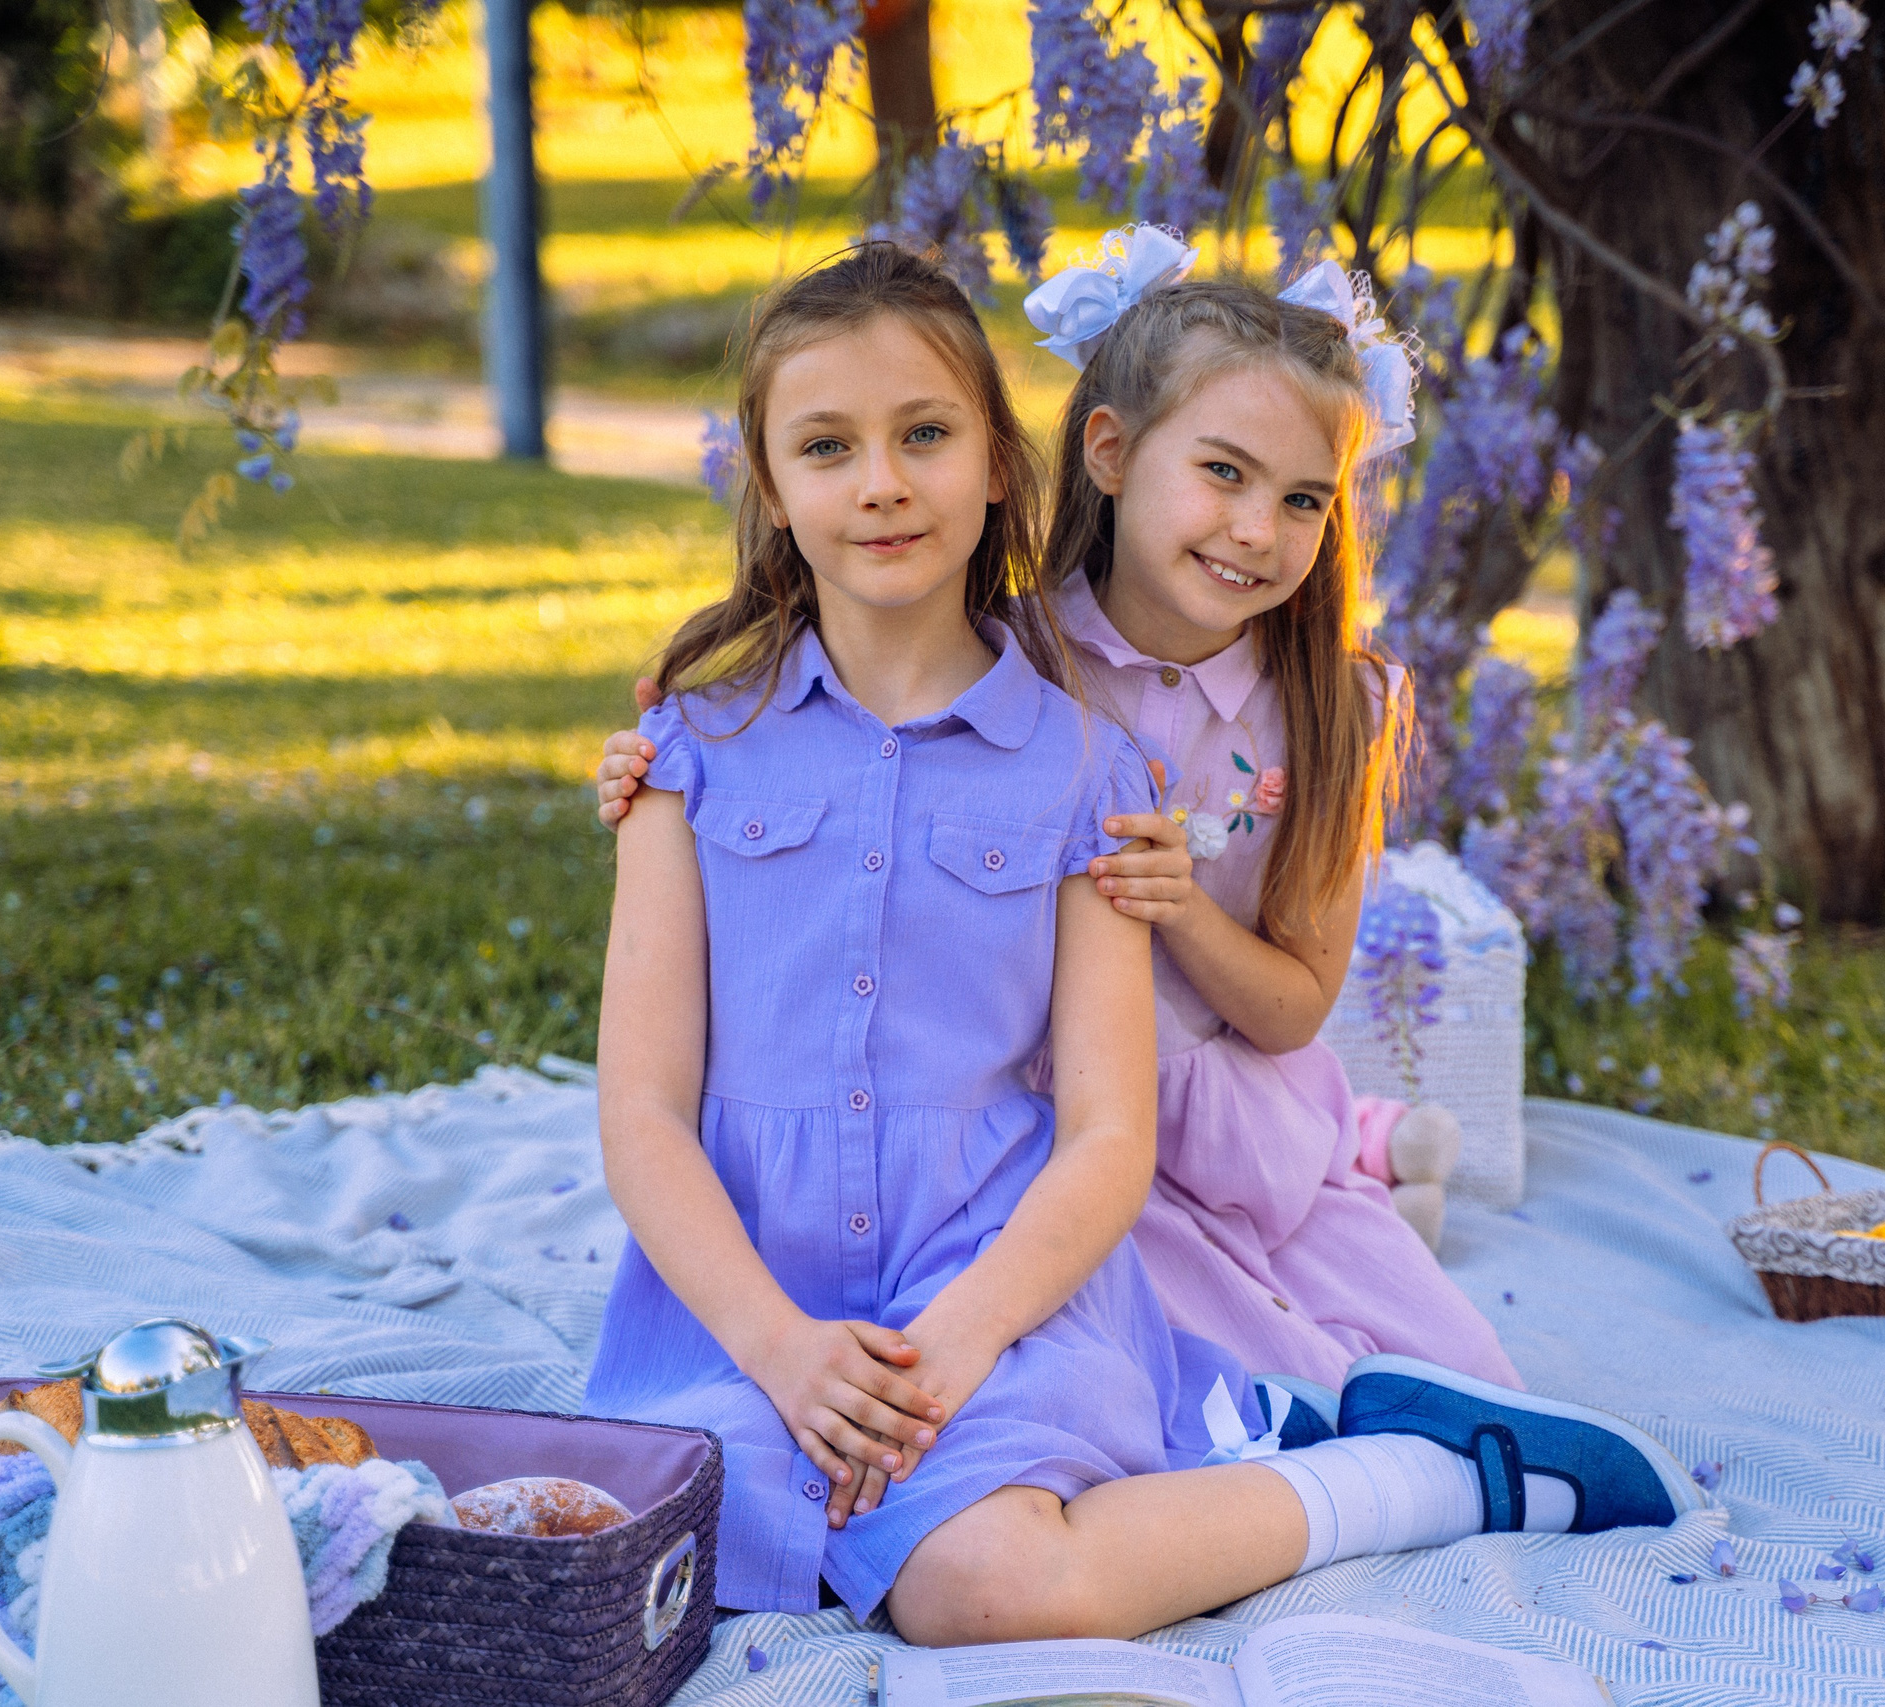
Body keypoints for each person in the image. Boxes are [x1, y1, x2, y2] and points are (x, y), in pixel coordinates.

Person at [583, 240, 1700, 1646]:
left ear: (999, 461)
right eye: (828, 445)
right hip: (746, 1314)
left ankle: (1416, 1475)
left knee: (977, 1585)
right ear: (771, 481)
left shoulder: (1089, 763)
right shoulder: (691, 758)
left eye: (925, 434)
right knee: (634, 1562)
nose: (880, 481)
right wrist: (779, 1346)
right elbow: (641, 1110)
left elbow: (1117, 1123)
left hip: (991, 1268)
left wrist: (962, 1339)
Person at [598, 229, 1519, 1405]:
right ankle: (1381, 1158)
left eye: (1302, 499)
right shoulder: (1008, 660)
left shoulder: (1335, 706)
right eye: (1224, 474)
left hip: (1201, 1116)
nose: (1256, 530)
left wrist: (1179, 907)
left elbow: (1294, 1009)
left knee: (1417, 1377)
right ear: (1111, 452)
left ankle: (1358, 1161)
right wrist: (663, 767)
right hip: (1021, 1128)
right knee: (1201, 1378)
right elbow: (838, 719)